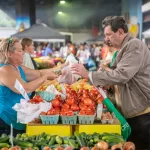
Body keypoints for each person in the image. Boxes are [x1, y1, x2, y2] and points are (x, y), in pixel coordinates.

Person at [71, 16, 150, 149]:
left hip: (141, 114)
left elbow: (122, 75)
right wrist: (110, 86)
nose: (106, 38)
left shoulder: (134, 45)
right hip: (132, 112)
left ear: (120, 32)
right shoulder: (124, 48)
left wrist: (88, 75)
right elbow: (124, 78)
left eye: (109, 34)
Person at [0, 37, 64, 136]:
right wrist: (46, 77)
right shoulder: (4, 70)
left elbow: (39, 73)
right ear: (9, 54)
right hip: (7, 120)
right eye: (20, 50)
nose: (23, 53)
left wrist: (61, 70)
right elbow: (25, 88)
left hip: (20, 118)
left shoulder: (19, 68)